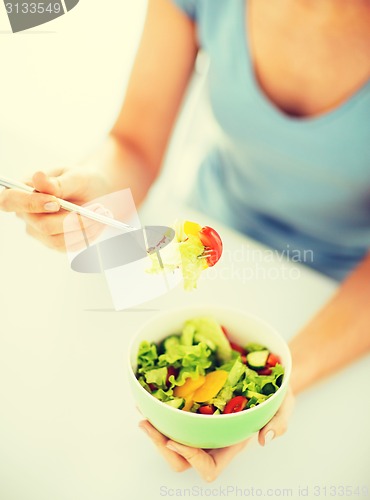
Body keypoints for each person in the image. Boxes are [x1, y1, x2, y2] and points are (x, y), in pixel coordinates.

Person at [1, 0, 369, 482]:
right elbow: (134, 144)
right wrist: (95, 192)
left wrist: (280, 385)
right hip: (208, 234)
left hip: (339, 293)